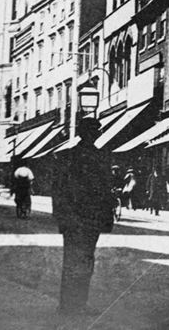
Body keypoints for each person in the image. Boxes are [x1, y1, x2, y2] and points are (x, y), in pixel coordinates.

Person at [52, 118, 115, 315]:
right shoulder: (72, 157)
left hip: (86, 219)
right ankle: (69, 305)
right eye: (92, 131)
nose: (95, 134)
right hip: (78, 218)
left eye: (97, 130)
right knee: (76, 261)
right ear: (83, 133)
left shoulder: (91, 156)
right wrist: (63, 217)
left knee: (83, 261)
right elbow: (60, 190)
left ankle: (76, 304)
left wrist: (106, 217)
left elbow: (106, 191)